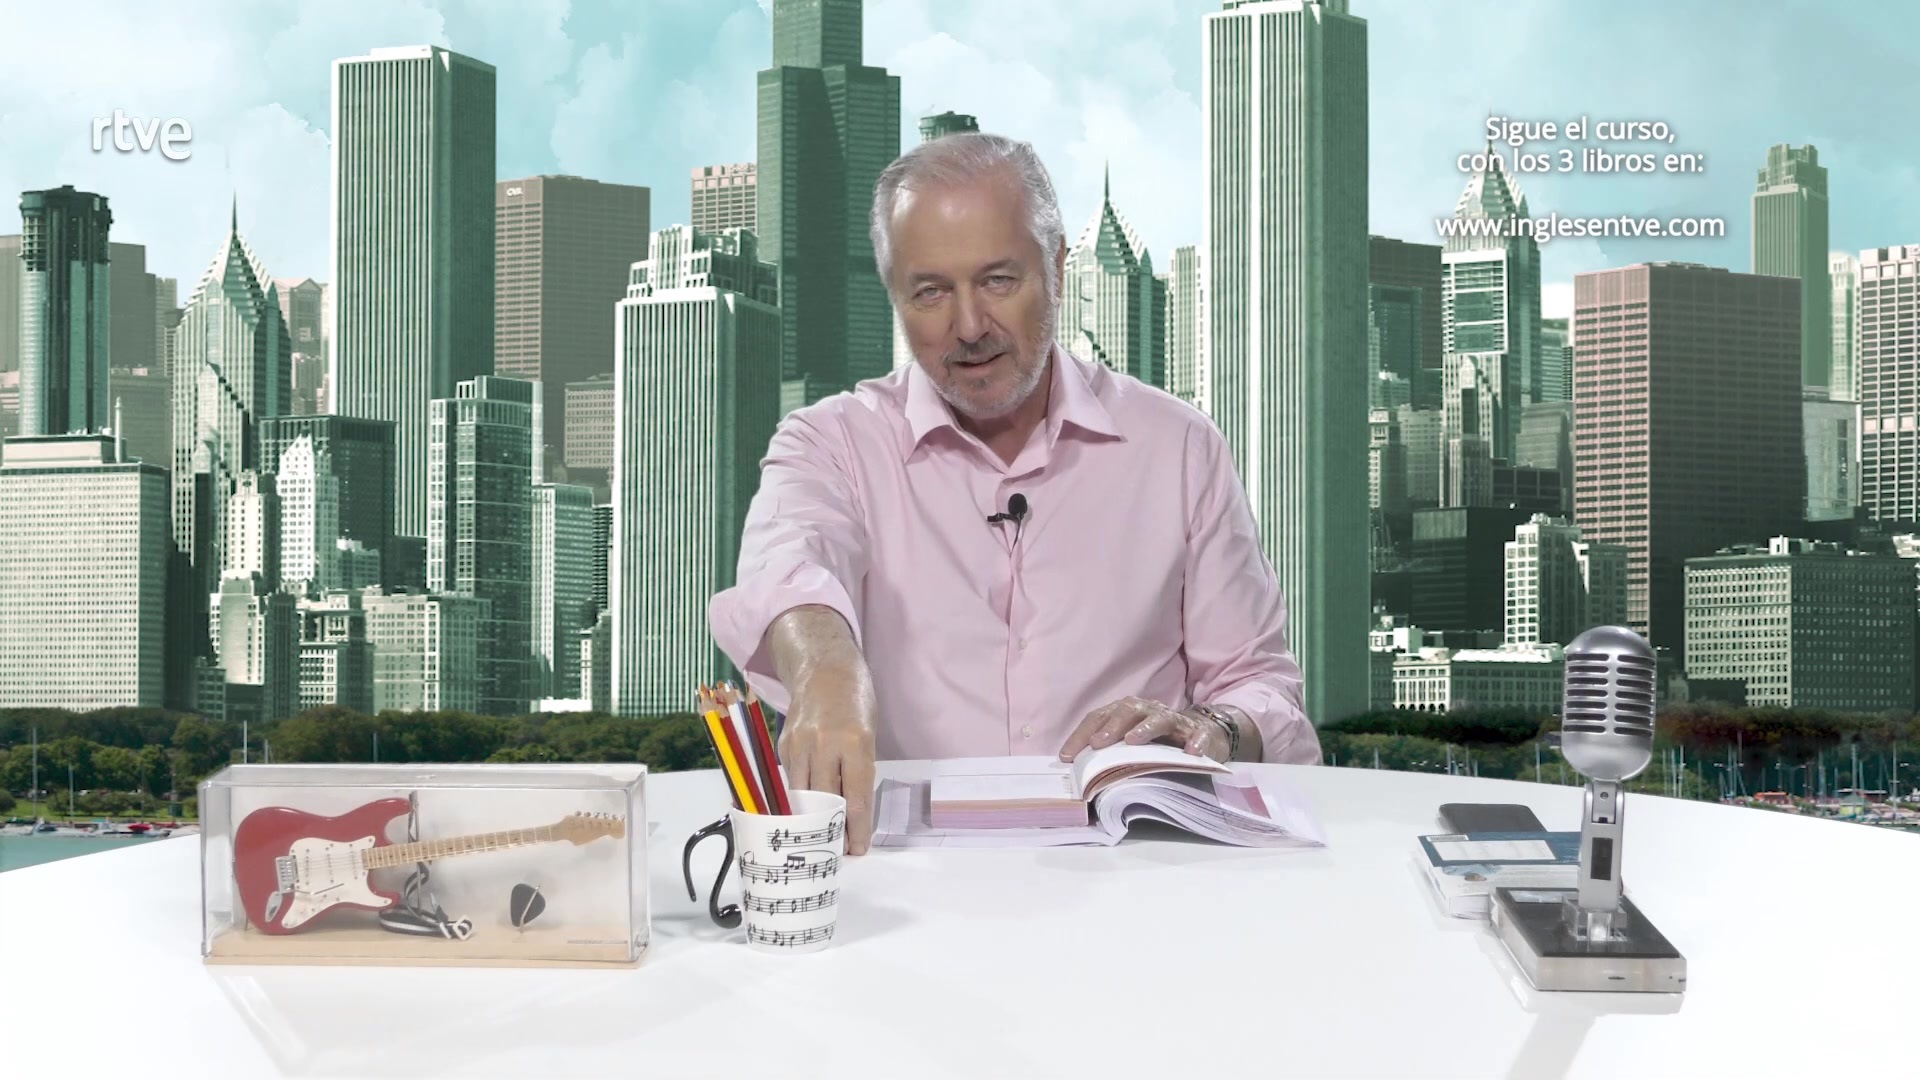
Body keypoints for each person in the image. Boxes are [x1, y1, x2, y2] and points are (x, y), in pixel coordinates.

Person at [708, 132, 1321, 856]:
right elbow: (789, 564)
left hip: (1139, 874)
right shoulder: (830, 441)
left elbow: (1263, 690)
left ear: (1057, 268)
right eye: (930, 292)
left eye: (998, 281)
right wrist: (827, 672)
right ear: (894, 297)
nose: (969, 327)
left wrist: (1214, 728)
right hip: (907, 875)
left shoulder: (1179, 446)